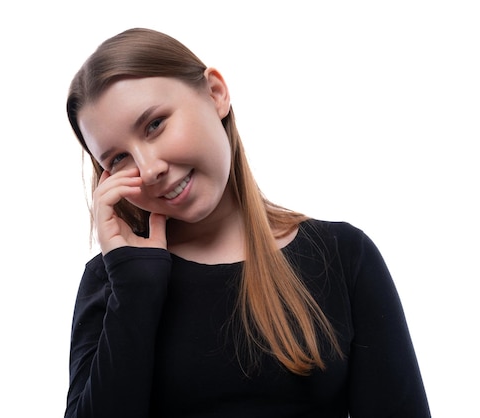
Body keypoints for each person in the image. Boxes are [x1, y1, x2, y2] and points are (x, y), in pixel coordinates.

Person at [64, 28, 431, 418]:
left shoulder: (341, 255)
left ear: (215, 93)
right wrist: (134, 291)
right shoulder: (113, 283)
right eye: (118, 159)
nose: (149, 169)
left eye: (155, 125)